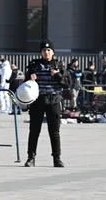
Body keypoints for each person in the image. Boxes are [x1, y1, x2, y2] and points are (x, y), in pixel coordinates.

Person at [24, 39, 69, 168]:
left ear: (53, 52)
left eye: (49, 50)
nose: (46, 52)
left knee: (54, 131)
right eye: (44, 50)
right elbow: (25, 84)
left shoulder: (59, 65)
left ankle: (57, 158)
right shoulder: (34, 65)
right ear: (40, 52)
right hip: (38, 101)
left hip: (54, 100)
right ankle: (31, 157)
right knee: (34, 130)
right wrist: (30, 78)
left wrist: (58, 76)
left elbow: (67, 83)